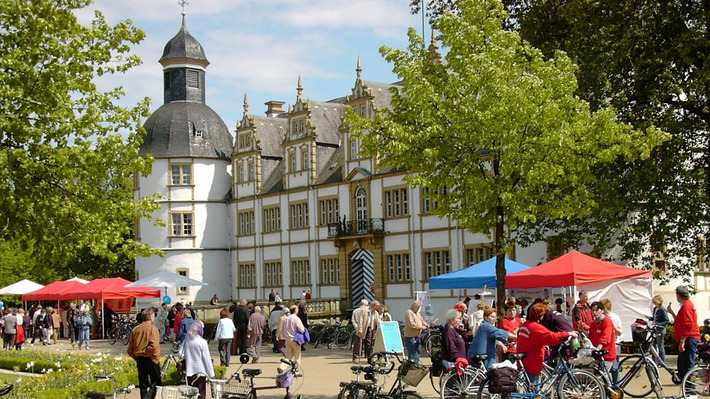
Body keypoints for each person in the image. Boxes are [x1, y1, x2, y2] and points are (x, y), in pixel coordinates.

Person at [517, 303, 577, 385]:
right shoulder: (536, 327)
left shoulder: (525, 325)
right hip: (532, 361)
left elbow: (532, 340)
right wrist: (568, 334)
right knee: (533, 389)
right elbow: (552, 337)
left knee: (527, 386)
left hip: (524, 360)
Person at [668, 285, 700, 395]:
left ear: (679, 295)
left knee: (688, 366)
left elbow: (687, 325)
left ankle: (691, 392)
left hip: (689, 339)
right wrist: (672, 313)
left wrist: (682, 341)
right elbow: (681, 322)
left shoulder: (686, 306)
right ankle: (687, 392)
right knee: (682, 366)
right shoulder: (686, 305)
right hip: (689, 338)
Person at [127, 309, 162, 399]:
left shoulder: (135, 330)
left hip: (140, 358)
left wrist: (136, 355)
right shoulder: (152, 329)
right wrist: (146, 353)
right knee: (156, 382)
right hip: (151, 358)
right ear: (151, 317)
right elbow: (153, 346)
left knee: (143, 384)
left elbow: (130, 349)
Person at [180, 321, 214, 399]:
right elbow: (207, 359)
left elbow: (180, 354)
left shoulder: (186, 341)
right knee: (201, 393)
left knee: (190, 394)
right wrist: (211, 373)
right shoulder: (202, 342)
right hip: (200, 371)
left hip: (189, 370)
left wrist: (188, 356)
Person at [588, 301, 617, 380]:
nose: (594, 312)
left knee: (602, 377)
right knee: (598, 375)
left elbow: (606, 336)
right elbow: (590, 336)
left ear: (602, 310)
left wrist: (599, 346)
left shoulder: (607, 321)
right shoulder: (593, 323)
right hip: (598, 355)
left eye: (597, 310)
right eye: (593, 310)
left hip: (607, 354)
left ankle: (609, 391)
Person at [600, 299, 622, 383]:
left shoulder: (615, 317)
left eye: (604, 309)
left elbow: (619, 332)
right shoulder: (601, 319)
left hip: (614, 346)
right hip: (605, 347)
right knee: (605, 369)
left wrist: (613, 327)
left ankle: (617, 386)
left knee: (614, 368)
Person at [282, 304, 306, 372]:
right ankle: (296, 370)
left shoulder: (286, 319)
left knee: (288, 355)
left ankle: (282, 367)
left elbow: (283, 330)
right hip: (295, 339)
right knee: (297, 356)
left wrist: (285, 336)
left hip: (287, 339)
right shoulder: (296, 318)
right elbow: (302, 329)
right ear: (295, 310)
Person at [404, 301, 427, 366]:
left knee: (418, 350)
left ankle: (416, 364)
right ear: (414, 307)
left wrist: (426, 324)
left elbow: (421, 320)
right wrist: (421, 327)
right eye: (418, 307)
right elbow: (411, 324)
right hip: (410, 335)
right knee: (412, 351)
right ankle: (411, 365)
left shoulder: (417, 313)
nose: (419, 308)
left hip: (417, 335)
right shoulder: (409, 312)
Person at [651, 295, 670, 364]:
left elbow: (666, 320)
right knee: (654, 345)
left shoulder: (662, 309)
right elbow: (654, 318)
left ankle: (662, 362)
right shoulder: (655, 309)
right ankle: (654, 362)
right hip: (655, 329)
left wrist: (659, 324)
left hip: (660, 330)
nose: (654, 304)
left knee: (660, 346)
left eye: (655, 302)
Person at [351, 299, 370, 363]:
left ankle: (355, 356)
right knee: (367, 342)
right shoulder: (367, 311)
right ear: (366, 305)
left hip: (358, 328)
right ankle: (367, 355)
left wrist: (356, 327)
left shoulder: (355, 311)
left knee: (357, 343)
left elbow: (353, 320)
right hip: (366, 328)